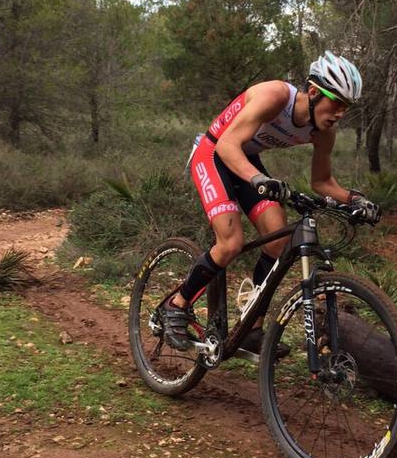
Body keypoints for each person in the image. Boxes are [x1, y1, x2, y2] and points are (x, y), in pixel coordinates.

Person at [162, 50, 381, 354]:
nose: (341, 113)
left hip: (245, 160)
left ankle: (251, 330)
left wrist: (355, 199)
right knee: (231, 242)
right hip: (214, 152)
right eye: (338, 102)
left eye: (348, 106)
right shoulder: (276, 96)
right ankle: (177, 304)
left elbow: (322, 183)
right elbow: (226, 144)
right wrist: (258, 180)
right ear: (315, 92)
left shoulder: (324, 132)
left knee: (278, 242)